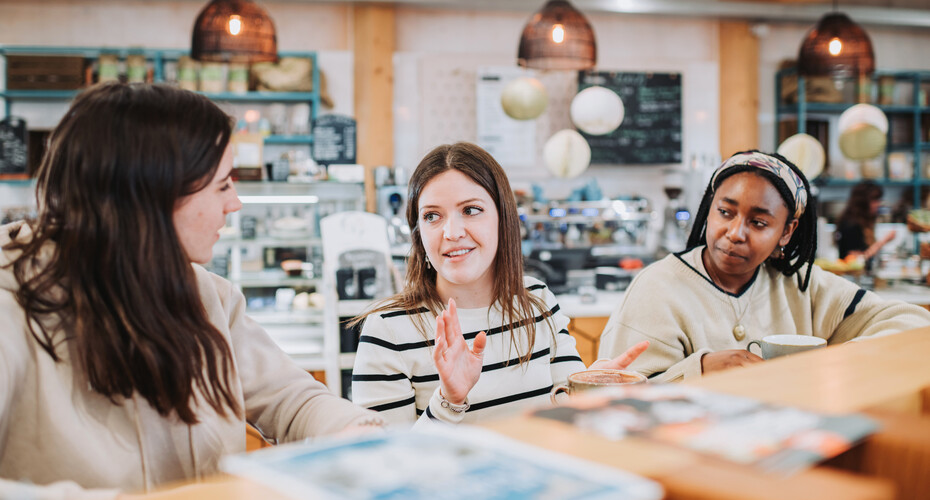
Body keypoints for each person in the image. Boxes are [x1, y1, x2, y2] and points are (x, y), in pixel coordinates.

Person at [0, 83, 380, 499]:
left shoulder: (209, 297)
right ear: (150, 195)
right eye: (222, 185)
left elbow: (291, 398)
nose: (234, 204)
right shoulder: (11, 302)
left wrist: (358, 432)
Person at [351, 142, 648, 427]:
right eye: (432, 216)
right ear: (419, 233)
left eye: (470, 210)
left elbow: (563, 418)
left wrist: (586, 392)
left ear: (502, 218)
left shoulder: (537, 301)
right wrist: (449, 400)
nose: (451, 232)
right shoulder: (387, 330)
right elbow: (386, 463)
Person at [598, 151, 930, 382]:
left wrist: (834, 361)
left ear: (787, 231)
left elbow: (915, 324)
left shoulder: (801, 284)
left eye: (758, 222)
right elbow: (618, 396)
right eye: (725, 212)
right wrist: (698, 369)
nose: (734, 233)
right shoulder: (658, 289)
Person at [834, 181, 895, 260]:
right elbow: (856, 259)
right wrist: (884, 240)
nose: (878, 204)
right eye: (875, 200)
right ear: (863, 202)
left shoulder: (863, 223)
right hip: (850, 272)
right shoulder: (850, 224)